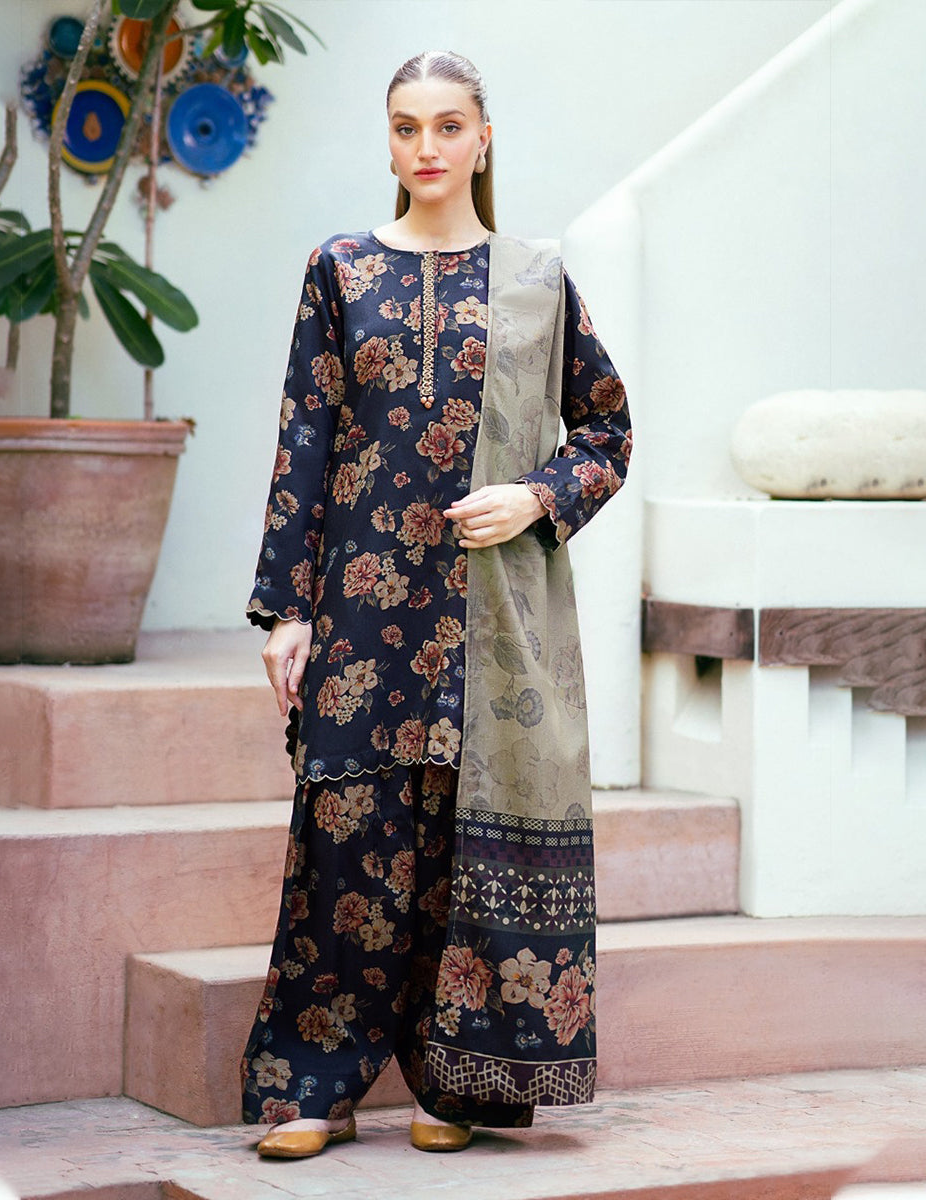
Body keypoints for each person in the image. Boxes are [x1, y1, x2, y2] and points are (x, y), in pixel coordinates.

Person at [240, 48, 632, 1159]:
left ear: (482, 138)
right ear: (389, 139)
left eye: (448, 126)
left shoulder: (535, 277)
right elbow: (305, 441)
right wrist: (286, 611)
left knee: (460, 848)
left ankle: (456, 1083)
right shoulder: (340, 269)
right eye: (407, 127)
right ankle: (313, 1086)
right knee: (345, 839)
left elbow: (607, 430)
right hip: (363, 611)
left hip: (488, 615)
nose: (426, 148)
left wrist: (536, 495)